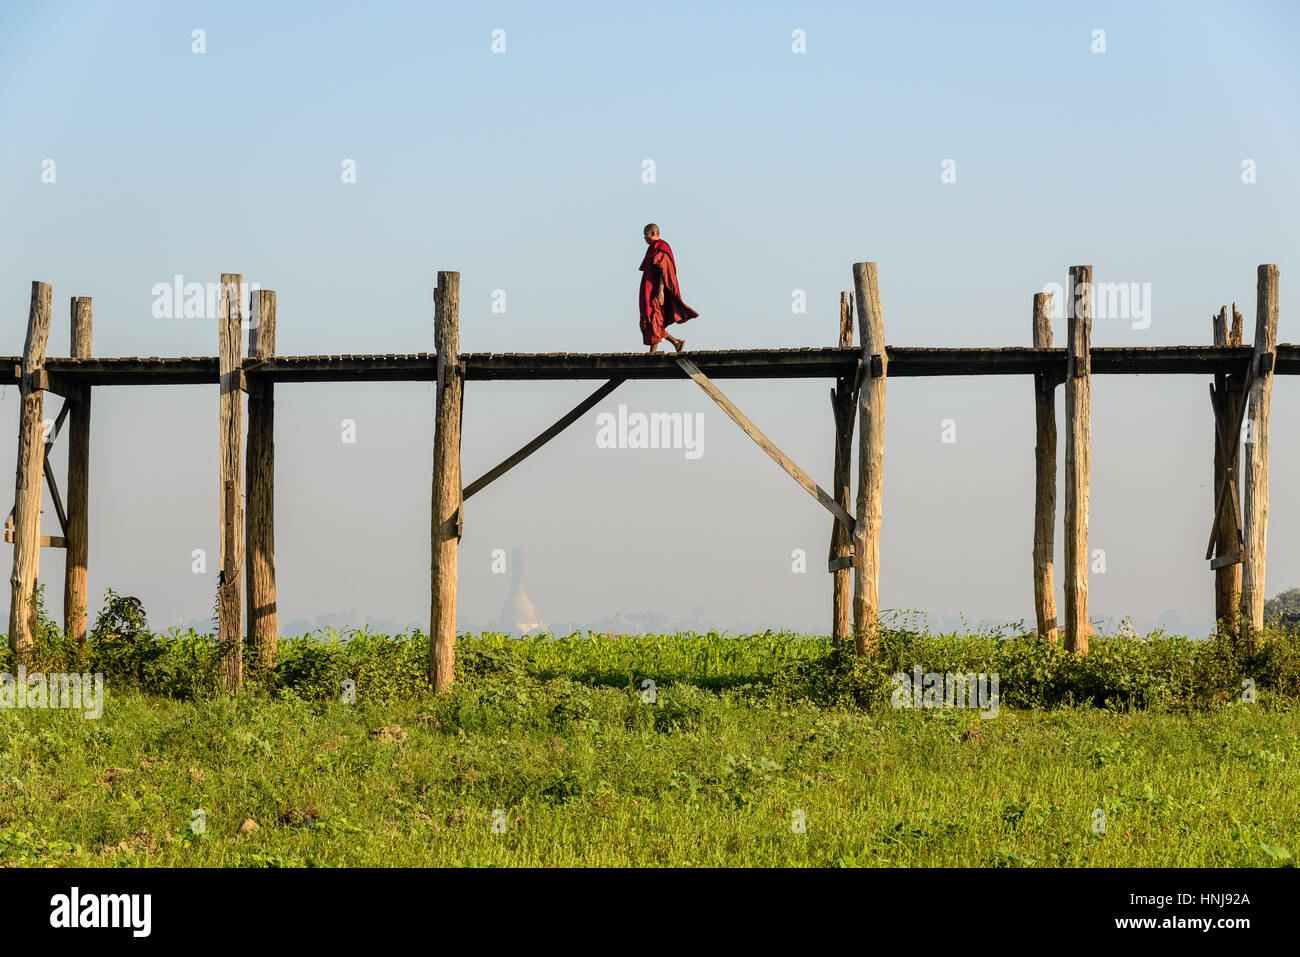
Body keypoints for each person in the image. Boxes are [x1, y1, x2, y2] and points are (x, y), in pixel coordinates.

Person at [638, 223, 698, 352]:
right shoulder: (652, 248)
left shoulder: (660, 248)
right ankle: (675, 343)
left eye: (646, 234)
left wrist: (661, 291)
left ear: (653, 234)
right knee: (652, 320)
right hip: (648, 291)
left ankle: (654, 353)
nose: (644, 238)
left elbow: (664, 272)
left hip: (655, 291)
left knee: (654, 319)